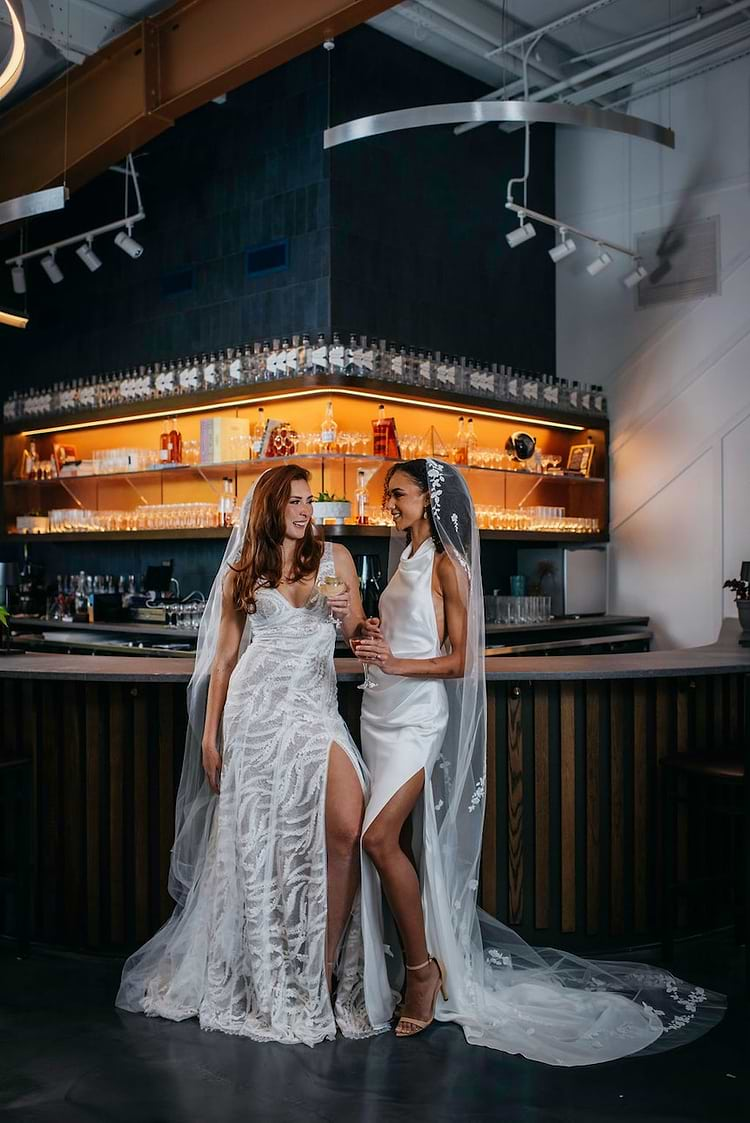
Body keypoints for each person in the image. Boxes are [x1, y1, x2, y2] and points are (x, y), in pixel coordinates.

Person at [352, 457, 725, 1062]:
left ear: (429, 497)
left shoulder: (451, 564)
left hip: (418, 717)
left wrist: (398, 664)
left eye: (397, 494)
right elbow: (413, 635)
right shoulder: (405, 558)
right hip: (379, 709)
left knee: (377, 840)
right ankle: (415, 961)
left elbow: (462, 660)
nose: (388, 504)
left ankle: (423, 972)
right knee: (391, 842)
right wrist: (376, 637)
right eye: (387, 495)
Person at [116, 464, 391, 1045]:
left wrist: (355, 622)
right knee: (261, 847)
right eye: (293, 501)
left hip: (316, 714)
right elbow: (224, 661)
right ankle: (270, 968)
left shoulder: (335, 559)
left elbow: (360, 636)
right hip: (257, 720)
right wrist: (212, 736)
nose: (304, 510)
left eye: (308, 500)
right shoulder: (246, 569)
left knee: (345, 825)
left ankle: (324, 966)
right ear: (271, 508)